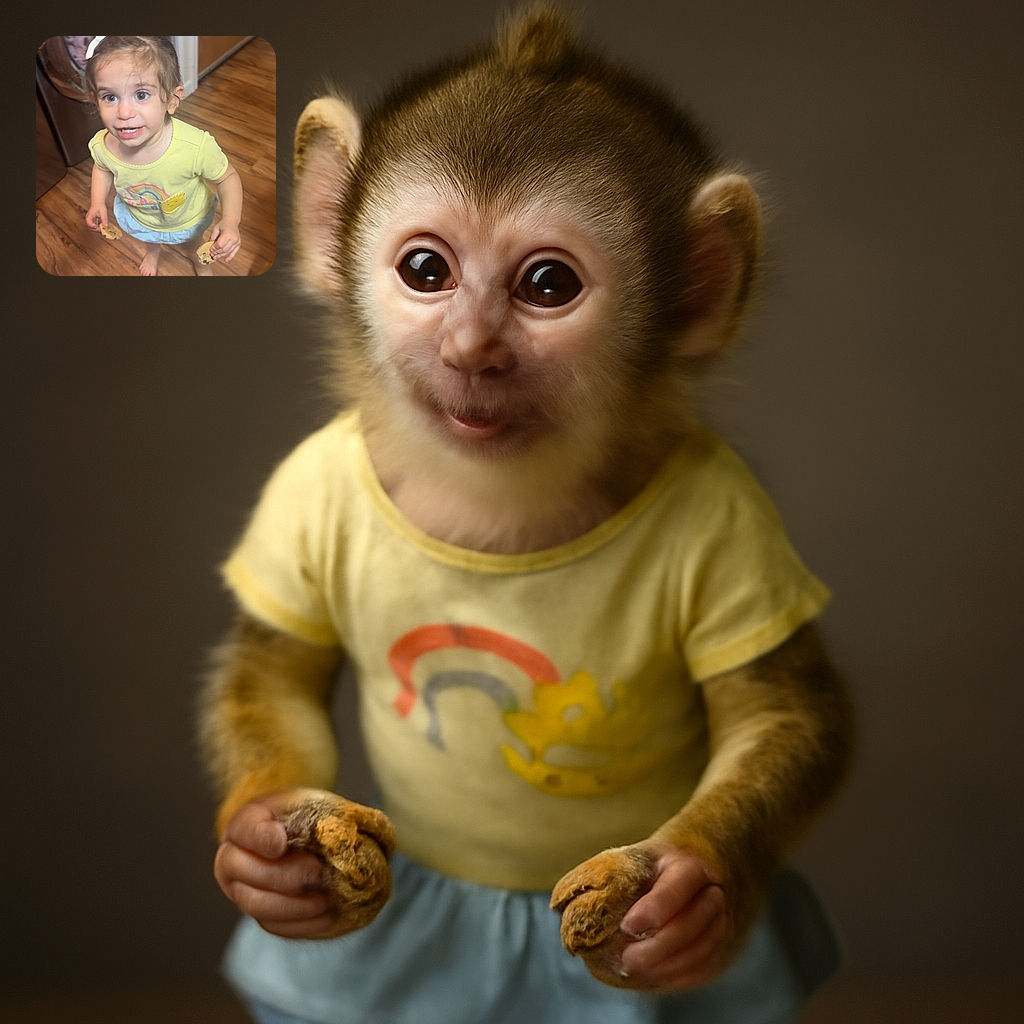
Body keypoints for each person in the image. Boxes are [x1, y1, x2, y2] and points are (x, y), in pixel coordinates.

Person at [83, 36, 242, 276]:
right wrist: (97, 201)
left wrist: (231, 221)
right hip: (142, 216)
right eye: (110, 97)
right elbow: (102, 168)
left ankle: (199, 262)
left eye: (141, 94)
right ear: (96, 101)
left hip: (187, 217)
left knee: (193, 243)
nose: (124, 112)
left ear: (172, 99)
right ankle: (153, 251)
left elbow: (227, 178)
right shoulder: (102, 145)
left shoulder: (195, 146)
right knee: (149, 237)